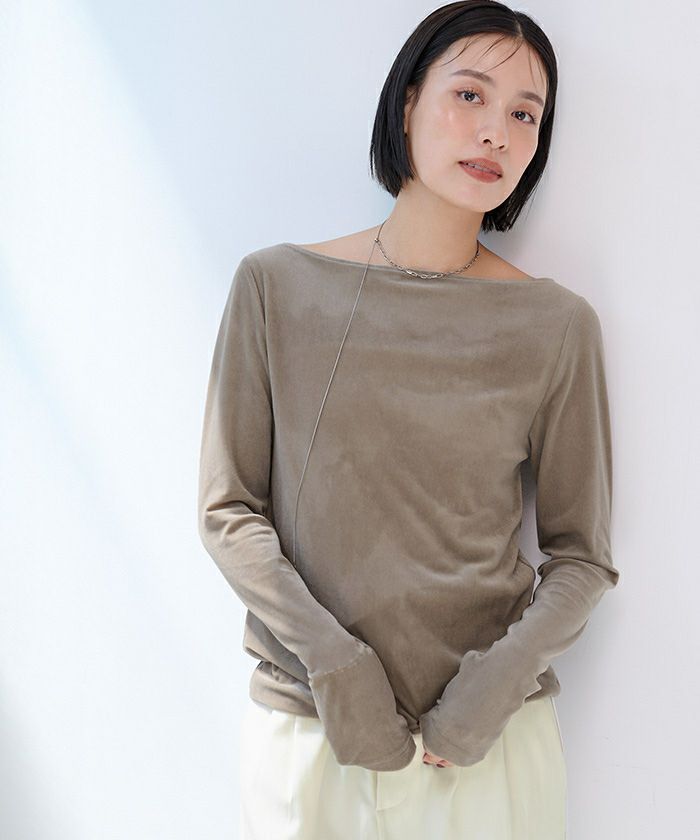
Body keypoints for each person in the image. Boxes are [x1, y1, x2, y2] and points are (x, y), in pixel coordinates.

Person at [197, 1, 620, 837]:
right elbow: (229, 511)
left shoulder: (556, 325)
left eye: (525, 115)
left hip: (488, 752)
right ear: (406, 104)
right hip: (311, 738)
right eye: (470, 95)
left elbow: (583, 558)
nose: (496, 131)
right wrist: (336, 665)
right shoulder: (275, 288)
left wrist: (491, 690)